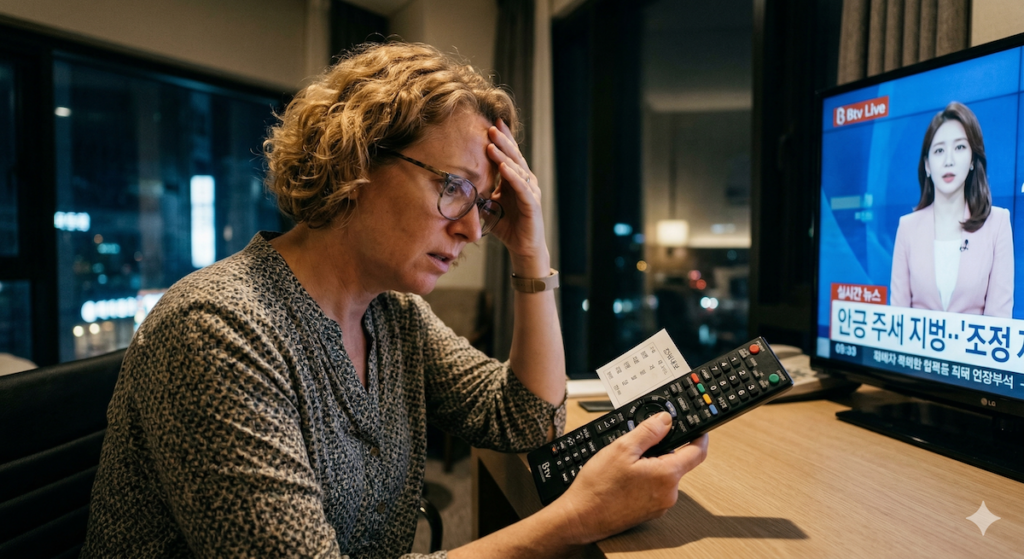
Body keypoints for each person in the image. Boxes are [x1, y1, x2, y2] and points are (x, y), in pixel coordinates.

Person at [81, 42, 708, 559]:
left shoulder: (392, 314)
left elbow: (527, 418)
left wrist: (530, 252)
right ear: (357, 159)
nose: (470, 229)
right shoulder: (219, 329)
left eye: (484, 206)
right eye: (454, 188)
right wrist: (575, 518)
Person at [890, 101, 1014, 317]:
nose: (948, 161)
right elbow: (898, 318)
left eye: (959, 147)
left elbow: (999, 320)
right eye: (939, 151)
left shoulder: (998, 223)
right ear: (927, 165)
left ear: (973, 159)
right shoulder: (907, 227)